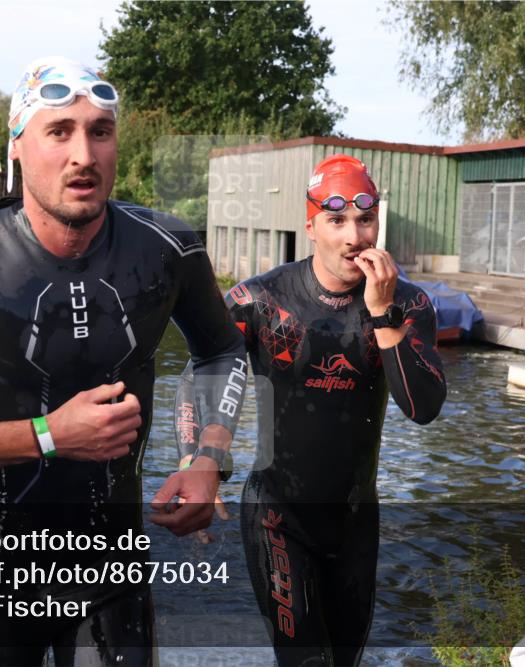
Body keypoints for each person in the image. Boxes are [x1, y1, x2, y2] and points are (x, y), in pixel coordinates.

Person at [0, 56, 246, 666]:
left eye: (100, 131)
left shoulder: (168, 249)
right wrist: (46, 435)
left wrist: (208, 457)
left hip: (111, 568)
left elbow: (223, 349)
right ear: (16, 146)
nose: (83, 153)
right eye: (60, 131)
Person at [175, 154, 447, 666]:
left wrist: (383, 313)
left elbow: (423, 408)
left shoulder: (408, 305)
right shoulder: (260, 299)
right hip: (277, 514)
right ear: (311, 226)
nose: (354, 237)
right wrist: (198, 463)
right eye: (337, 220)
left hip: (354, 521)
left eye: (365, 220)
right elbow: (202, 374)